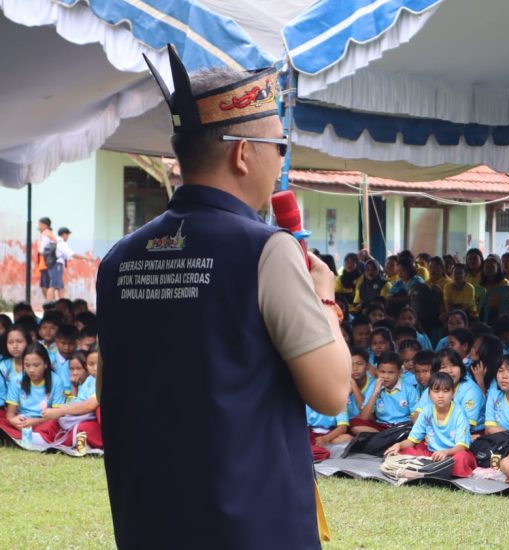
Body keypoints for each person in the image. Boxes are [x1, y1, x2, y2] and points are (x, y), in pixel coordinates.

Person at [96, 50, 351, 549]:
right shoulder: (266, 249)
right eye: (279, 145)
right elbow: (332, 392)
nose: (281, 160)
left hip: (149, 521)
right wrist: (324, 297)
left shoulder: (117, 259)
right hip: (251, 526)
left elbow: (111, 394)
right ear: (242, 153)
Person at [386, 372, 478, 478]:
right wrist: (398, 445)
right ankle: (435, 470)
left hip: (453, 454)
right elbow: (412, 440)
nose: (440, 395)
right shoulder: (427, 411)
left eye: (446, 391)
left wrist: (445, 452)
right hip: (432, 455)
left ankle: (432, 470)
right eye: (436, 391)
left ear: (453, 393)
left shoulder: (459, 413)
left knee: (462, 458)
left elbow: (461, 447)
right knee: (402, 451)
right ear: (429, 394)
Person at [50, 227, 95, 300]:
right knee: (53, 286)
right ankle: (52, 304)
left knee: (59, 286)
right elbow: (72, 254)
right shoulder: (62, 243)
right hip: (57, 265)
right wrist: (86, 258)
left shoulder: (56, 241)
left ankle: (61, 303)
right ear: (64, 234)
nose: (68, 237)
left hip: (55, 265)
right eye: (67, 235)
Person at [36, 217, 57, 301]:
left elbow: (41, 250)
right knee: (45, 285)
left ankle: (50, 304)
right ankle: (50, 304)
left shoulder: (46, 235)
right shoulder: (48, 234)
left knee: (46, 286)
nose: (38, 227)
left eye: (39, 224)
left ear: (44, 225)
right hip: (46, 264)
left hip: (46, 264)